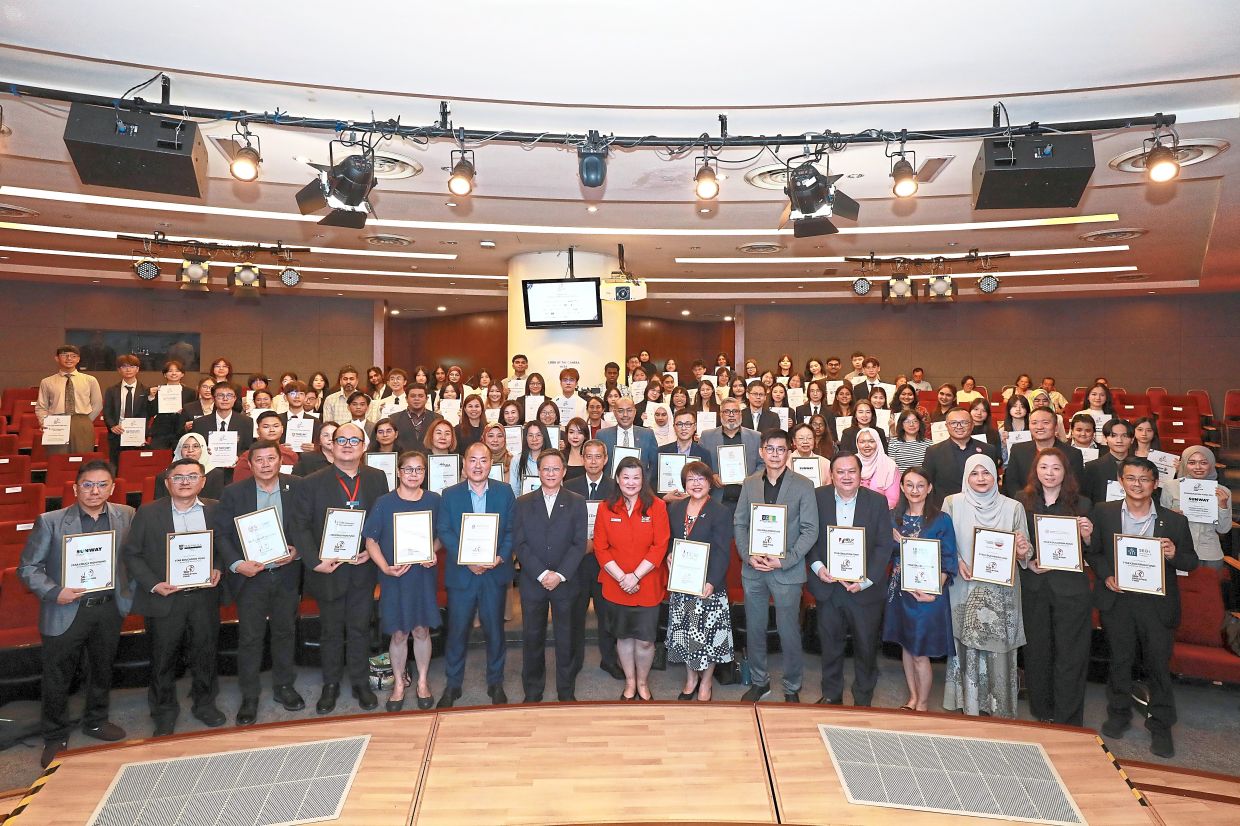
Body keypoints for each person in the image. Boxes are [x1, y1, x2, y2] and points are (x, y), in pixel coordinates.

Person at [19, 460, 134, 767]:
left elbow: (133, 558)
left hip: (108, 608)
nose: (95, 491)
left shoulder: (126, 515)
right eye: (88, 485)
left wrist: (129, 591)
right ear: (75, 488)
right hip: (66, 608)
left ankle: (96, 720)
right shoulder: (51, 521)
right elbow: (28, 568)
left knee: (102, 667)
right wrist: (56, 592)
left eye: (102, 485)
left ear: (112, 487)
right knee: (58, 676)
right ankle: (55, 735)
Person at [1089, 456, 1197, 758]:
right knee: (1120, 661)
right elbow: (1094, 552)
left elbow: (1191, 561)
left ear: (1155, 483)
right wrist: (1107, 575)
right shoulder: (1104, 512)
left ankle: (1160, 724)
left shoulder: (1175, 521)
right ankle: (1119, 714)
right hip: (1119, 600)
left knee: (1158, 666)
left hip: (1156, 605)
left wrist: (1175, 553)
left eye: (1144, 479)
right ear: (1121, 482)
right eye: (1131, 478)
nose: (1137, 484)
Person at [289, 422, 388, 714]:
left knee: (359, 627)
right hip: (328, 569)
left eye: (353, 440)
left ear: (364, 446)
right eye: (340, 439)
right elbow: (300, 526)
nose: (347, 444)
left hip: (362, 566)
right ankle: (330, 684)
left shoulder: (377, 478)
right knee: (330, 630)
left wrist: (372, 553)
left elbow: (381, 521)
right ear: (329, 445)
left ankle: (360, 683)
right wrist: (315, 560)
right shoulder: (311, 482)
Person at [122, 456, 224, 736]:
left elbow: (226, 546)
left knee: (205, 653)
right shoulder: (148, 511)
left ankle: (205, 703)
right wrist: (153, 584)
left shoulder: (215, 510)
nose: (185, 482)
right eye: (178, 477)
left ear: (202, 481)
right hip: (165, 597)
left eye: (192, 476)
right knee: (163, 657)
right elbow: (132, 554)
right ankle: (164, 711)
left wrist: (217, 567)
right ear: (167, 483)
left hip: (203, 597)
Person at [213, 440, 304, 726]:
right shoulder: (233, 493)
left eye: (271, 458)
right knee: (250, 637)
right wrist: (237, 565)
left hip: (286, 573)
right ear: (249, 465)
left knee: (285, 632)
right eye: (259, 460)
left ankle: (284, 686)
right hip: (251, 577)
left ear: (280, 461)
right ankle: (249, 695)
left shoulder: (297, 487)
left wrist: (298, 550)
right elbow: (222, 534)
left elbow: (309, 524)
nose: (266, 464)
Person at [941, 455, 1032, 718]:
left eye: (986, 473)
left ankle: (999, 706)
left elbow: (1024, 550)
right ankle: (969, 704)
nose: (981, 478)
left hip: (1001, 591)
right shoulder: (952, 503)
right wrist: (956, 561)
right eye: (974, 473)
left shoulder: (1013, 507)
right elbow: (944, 542)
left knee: (998, 648)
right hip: (965, 585)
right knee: (967, 644)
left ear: (996, 476)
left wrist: (1024, 549)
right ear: (966, 477)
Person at [735, 429, 819, 703]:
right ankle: (760, 681)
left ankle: (792, 685)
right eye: (769, 448)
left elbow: (810, 529)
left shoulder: (804, 485)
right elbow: (740, 523)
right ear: (761, 451)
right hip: (754, 569)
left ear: (789, 452)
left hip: (787, 571)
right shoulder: (749, 483)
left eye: (780, 449)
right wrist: (749, 556)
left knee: (789, 631)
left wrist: (785, 560)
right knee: (755, 627)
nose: (774, 454)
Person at [807, 452, 896, 706]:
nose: (846, 476)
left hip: (865, 590)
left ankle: (863, 697)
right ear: (831, 475)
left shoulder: (877, 502)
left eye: (852, 471)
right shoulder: (817, 497)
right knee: (830, 645)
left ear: (861, 475)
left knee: (866, 647)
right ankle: (831, 693)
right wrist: (817, 567)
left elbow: (883, 544)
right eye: (840, 472)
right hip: (829, 586)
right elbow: (808, 534)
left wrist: (867, 579)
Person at [436, 442, 517, 707]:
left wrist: (500, 556)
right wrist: (467, 558)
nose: (478, 465)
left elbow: (511, 531)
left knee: (495, 631)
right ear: (464, 464)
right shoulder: (449, 494)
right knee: (457, 631)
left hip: (494, 572)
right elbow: (445, 530)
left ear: (490, 463)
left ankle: (496, 682)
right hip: (463, 574)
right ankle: (453, 684)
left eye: (483, 460)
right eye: (473, 460)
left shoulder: (504, 492)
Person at [1017, 447, 1093, 726]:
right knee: (1037, 653)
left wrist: (1086, 538)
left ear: (1065, 472)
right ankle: (1042, 712)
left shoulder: (1082, 504)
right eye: (1044, 467)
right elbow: (1017, 544)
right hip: (1035, 587)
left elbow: (1092, 552)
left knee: (1070, 655)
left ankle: (1068, 718)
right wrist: (1025, 557)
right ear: (1035, 470)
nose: (1049, 473)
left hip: (1071, 591)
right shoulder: (1020, 502)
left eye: (1056, 468)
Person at [362, 450, 443, 711]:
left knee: (421, 630)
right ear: (398, 472)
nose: (413, 474)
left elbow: (442, 535)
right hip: (395, 577)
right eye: (408, 469)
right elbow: (371, 540)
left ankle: (421, 682)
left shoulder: (434, 500)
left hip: (422, 576)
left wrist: (433, 549)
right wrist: (385, 567)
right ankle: (398, 683)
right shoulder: (384, 502)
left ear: (424, 474)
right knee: (398, 633)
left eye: (419, 470)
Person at [593, 456, 670, 701]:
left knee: (646, 641)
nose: (631, 482)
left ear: (643, 480)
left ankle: (643, 682)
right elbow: (600, 547)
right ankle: (629, 682)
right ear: (617, 478)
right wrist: (622, 578)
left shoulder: (657, 506)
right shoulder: (606, 507)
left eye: (636, 477)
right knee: (624, 637)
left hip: (647, 584)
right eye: (625, 477)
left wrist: (635, 576)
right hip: (616, 585)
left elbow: (660, 545)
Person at [514, 449, 587, 702]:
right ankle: (533, 691)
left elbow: (579, 544)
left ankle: (566, 691)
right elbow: (519, 543)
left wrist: (560, 574)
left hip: (565, 582)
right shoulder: (522, 503)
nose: (551, 473)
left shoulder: (577, 501)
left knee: (565, 638)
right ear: (538, 471)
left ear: (564, 471)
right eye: (546, 469)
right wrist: (543, 573)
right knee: (532, 636)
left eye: (556, 469)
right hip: (533, 581)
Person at [882, 467, 956, 712]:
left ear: (929, 488)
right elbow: (885, 554)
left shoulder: (941, 519)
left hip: (927, 595)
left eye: (920, 485)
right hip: (899, 592)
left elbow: (948, 557)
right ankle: (912, 698)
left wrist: (936, 589)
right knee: (906, 645)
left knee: (920, 651)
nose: (915, 490)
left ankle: (923, 704)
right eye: (909, 485)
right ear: (902, 487)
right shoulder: (895, 517)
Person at [662, 461, 734, 703]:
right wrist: (669, 555)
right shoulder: (675, 509)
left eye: (701, 479)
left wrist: (712, 581)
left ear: (709, 483)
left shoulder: (720, 512)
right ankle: (691, 678)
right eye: (691, 479)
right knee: (685, 634)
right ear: (684, 483)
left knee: (708, 636)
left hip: (708, 587)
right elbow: (670, 542)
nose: (696, 483)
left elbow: (723, 552)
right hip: (683, 586)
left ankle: (705, 682)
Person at [565, 439, 622, 681]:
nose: (593, 461)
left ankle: (609, 660)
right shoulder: (568, 486)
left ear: (606, 459)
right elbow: (562, 525)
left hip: (606, 563)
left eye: (598, 456)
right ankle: (574, 661)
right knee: (575, 615)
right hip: (576, 563)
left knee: (607, 615)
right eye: (588, 456)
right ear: (582, 459)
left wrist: (598, 543)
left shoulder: (616, 488)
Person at [1161, 445, 1230, 570]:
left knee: (1210, 590)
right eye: (1192, 463)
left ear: (1212, 464)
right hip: (1179, 553)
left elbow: (1223, 529)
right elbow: (1160, 523)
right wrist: (1170, 516)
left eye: (1204, 463)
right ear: (1185, 464)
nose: (1198, 467)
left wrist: (1223, 506)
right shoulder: (1170, 486)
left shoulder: (1223, 491)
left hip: (1210, 555)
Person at [1002, 407, 1086, 498]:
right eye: (1034, 423)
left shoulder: (1073, 454)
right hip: (1024, 505)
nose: (1039, 427)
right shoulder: (1017, 450)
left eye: (1045, 422)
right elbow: (1012, 483)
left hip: (1060, 507)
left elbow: (1074, 486)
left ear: (1056, 427)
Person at [36, 344, 104, 455]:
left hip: (82, 422)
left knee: (82, 458)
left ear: (78, 359)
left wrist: (85, 421)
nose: (69, 359)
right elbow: (41, 406)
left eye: (73, 356)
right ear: (57, 358)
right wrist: (44, 422)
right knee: (57, 459)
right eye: (65, 355)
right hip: (56, 422)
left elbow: (97, 404)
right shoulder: (47, 381)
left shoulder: (90, 380)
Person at [922, 407, 1002, 498]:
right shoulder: (933, 452)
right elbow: (927, 483)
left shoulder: (988, 450)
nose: (959, 426)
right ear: (946, 426)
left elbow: (993, 481)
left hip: (982, 506)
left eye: (964, 422)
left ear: (972, 425)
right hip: (946, 507)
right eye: (953, 423)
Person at [190, 382, 255, 465]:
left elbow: (248, 449)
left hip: (235, 468)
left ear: (235, 398)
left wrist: (237, 457)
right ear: (213, 399)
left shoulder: (246, 422)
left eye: (229, 395)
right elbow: (196, 448)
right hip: (208, 469)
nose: (225, 399)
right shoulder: (200, 423)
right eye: (220, 395)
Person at [102, 354, 149, 465]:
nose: (128, 369)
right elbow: (107, 411)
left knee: (135, 466)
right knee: (117, 466)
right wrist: (112, 426)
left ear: (137, 369)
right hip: (117, 434)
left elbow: (148, 413)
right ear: (119, 370)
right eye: (124, 367)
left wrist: (144, 434)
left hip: (137, 435)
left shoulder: (146, 390)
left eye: (132, 366)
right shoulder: (111, 390)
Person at [597, 396, 659, 478]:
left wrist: (645, 482)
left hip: (640, 487)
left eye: (629, 410)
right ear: (614, 413)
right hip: (610, 487)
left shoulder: (647, 434)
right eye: (620, 411)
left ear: (635, 412)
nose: (625, 415)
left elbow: (654, 464)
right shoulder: (602, 435)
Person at [233, 411, 299, 481]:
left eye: (276, 426)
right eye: (266, 427)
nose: (272, 430)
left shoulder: (291, 455)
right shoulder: (247, 456)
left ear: (282, 429)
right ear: (258, 431)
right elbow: (240, 484)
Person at [1082, 418, 1134, 503]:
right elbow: (1086, 500)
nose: (1119, 440)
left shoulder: (1142, 466)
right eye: (1113, 436)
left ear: (1132, 439)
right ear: (1105, 438)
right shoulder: (1092, 467)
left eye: (1124, 436)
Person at [857, 428, 901, 507]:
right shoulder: (852, 462)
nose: (867, 445)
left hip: (880, 512)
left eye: (871, 441)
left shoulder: (889, 465)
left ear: (878, 442)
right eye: (862, 442)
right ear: (857, 444)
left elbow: (892, 499)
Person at [393, 383, 442, 453]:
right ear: (406, 399)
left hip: (429, 461)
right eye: (413, 396)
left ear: (427, 399)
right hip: (403, 461)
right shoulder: (394, 419)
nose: (417, 399)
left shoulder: (437, 418)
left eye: (421, 396)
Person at [509, 421, 547, 495]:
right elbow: (514, 490)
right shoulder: (517, 460)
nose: (534, 439)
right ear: (525, 437)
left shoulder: (553, 459)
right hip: (523, 504)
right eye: (530, 435)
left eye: (538, 435)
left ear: (544, 437)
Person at [999, 393, 1031, 462]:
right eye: (1014, 406)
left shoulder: (1033, 429)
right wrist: (1004, 445)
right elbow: (1003, 460)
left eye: (1022, 406)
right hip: (1010, 465)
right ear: (1009, 409)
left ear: (1027, 409)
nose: (1018, 409)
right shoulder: (1002, 431)